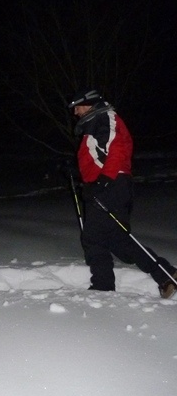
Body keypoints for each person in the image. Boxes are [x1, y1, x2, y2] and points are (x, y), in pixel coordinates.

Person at [68, 88, 177, 298]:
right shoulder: (94, 123)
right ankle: (166, 275)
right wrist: (77, 171)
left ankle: (103, 287)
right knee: (117, 240)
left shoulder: (105, 118)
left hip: (111, 185)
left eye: (77, 107)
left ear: (88, 103)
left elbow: (116, 150)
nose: (75, 112)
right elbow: (97, 155)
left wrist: (103, 181)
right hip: (107, 184)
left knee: (94, 238)